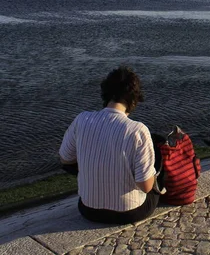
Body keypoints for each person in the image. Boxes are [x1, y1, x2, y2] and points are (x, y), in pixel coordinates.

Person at [59, 66, 159, 224]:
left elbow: (65, 159)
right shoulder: (137, 130)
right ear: (134, 99)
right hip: (129, 212)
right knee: (154, 176)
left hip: (88, 210)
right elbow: (145, 186)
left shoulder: (82, 119)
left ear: (106, 93)